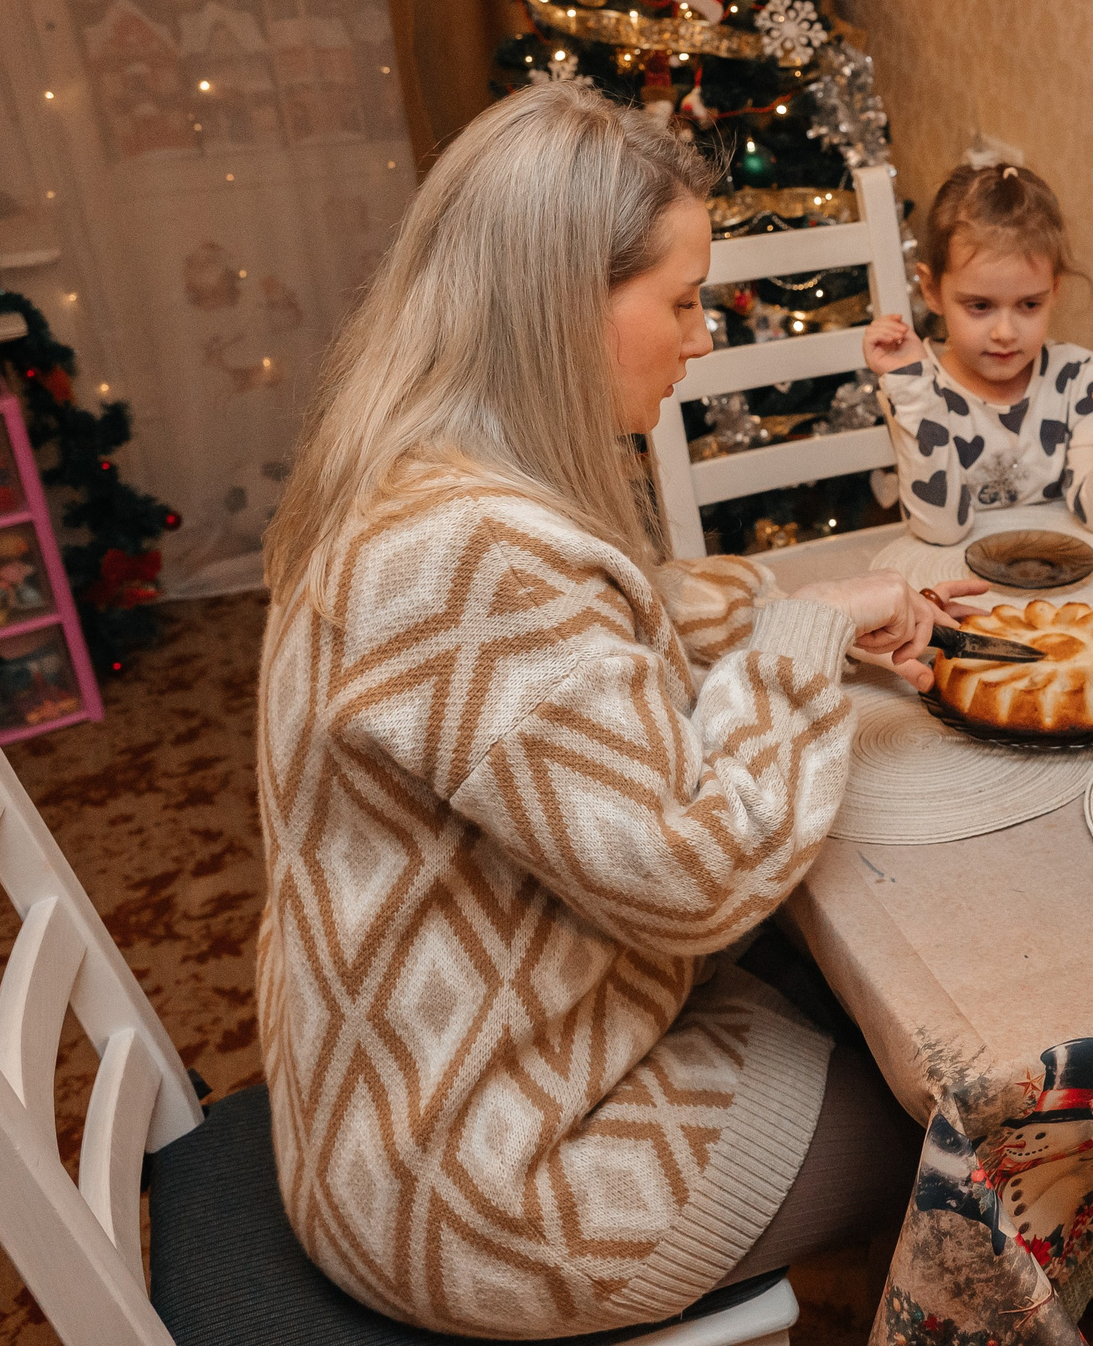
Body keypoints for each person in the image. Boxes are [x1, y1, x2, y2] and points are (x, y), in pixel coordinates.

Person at [254, 83, 974, 1338]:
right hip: (477, 1187)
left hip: (389, 1097)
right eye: (682, 301)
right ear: (560, 302)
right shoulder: (476, 558)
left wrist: (806, 605)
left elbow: (611, 626)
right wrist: (800, 639)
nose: (702, 337)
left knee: (859, 988)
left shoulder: (425, 476)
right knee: (965, 1120)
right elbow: (699, 872)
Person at [862, 162, 1093, 542]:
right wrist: (912, 391)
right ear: (931, 291)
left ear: (1054, 291)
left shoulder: (1077, 375)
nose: (1005, 334)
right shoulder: (916, 386)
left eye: (1029, 305)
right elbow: (940, 530)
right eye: (980, 306)